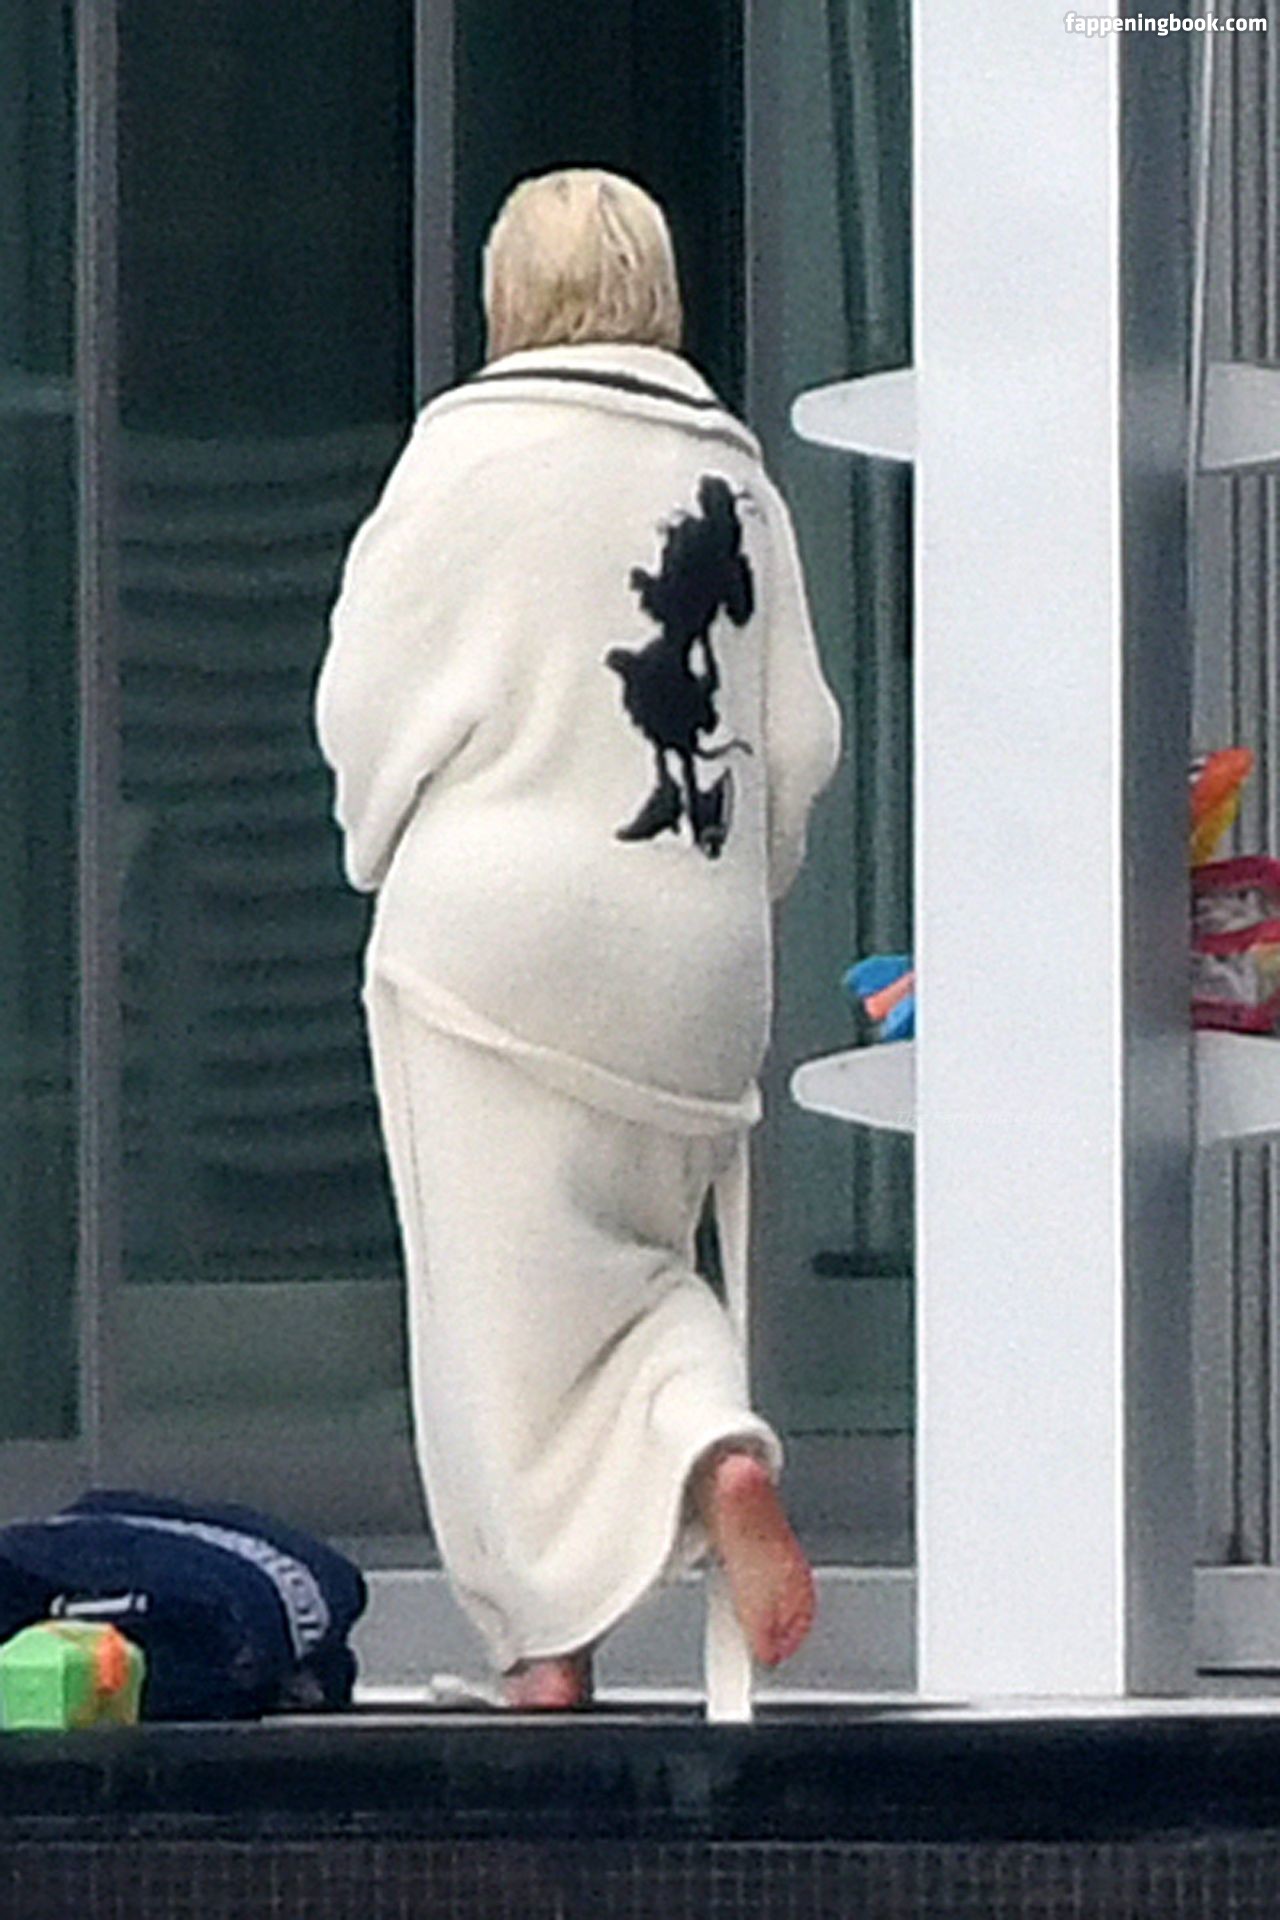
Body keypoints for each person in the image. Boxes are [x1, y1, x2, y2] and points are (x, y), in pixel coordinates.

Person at [313, 169, 842, 1709]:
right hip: (691, 951)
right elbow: (801, 739)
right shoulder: (735, 473)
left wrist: (383, 838)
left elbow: (365, 702)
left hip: (498, 946)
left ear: (508, 292)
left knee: (497, 1307)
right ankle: (719, 1449)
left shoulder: (466, 450)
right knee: (642, 1270)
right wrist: (735, 899)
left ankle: (544, 1647)